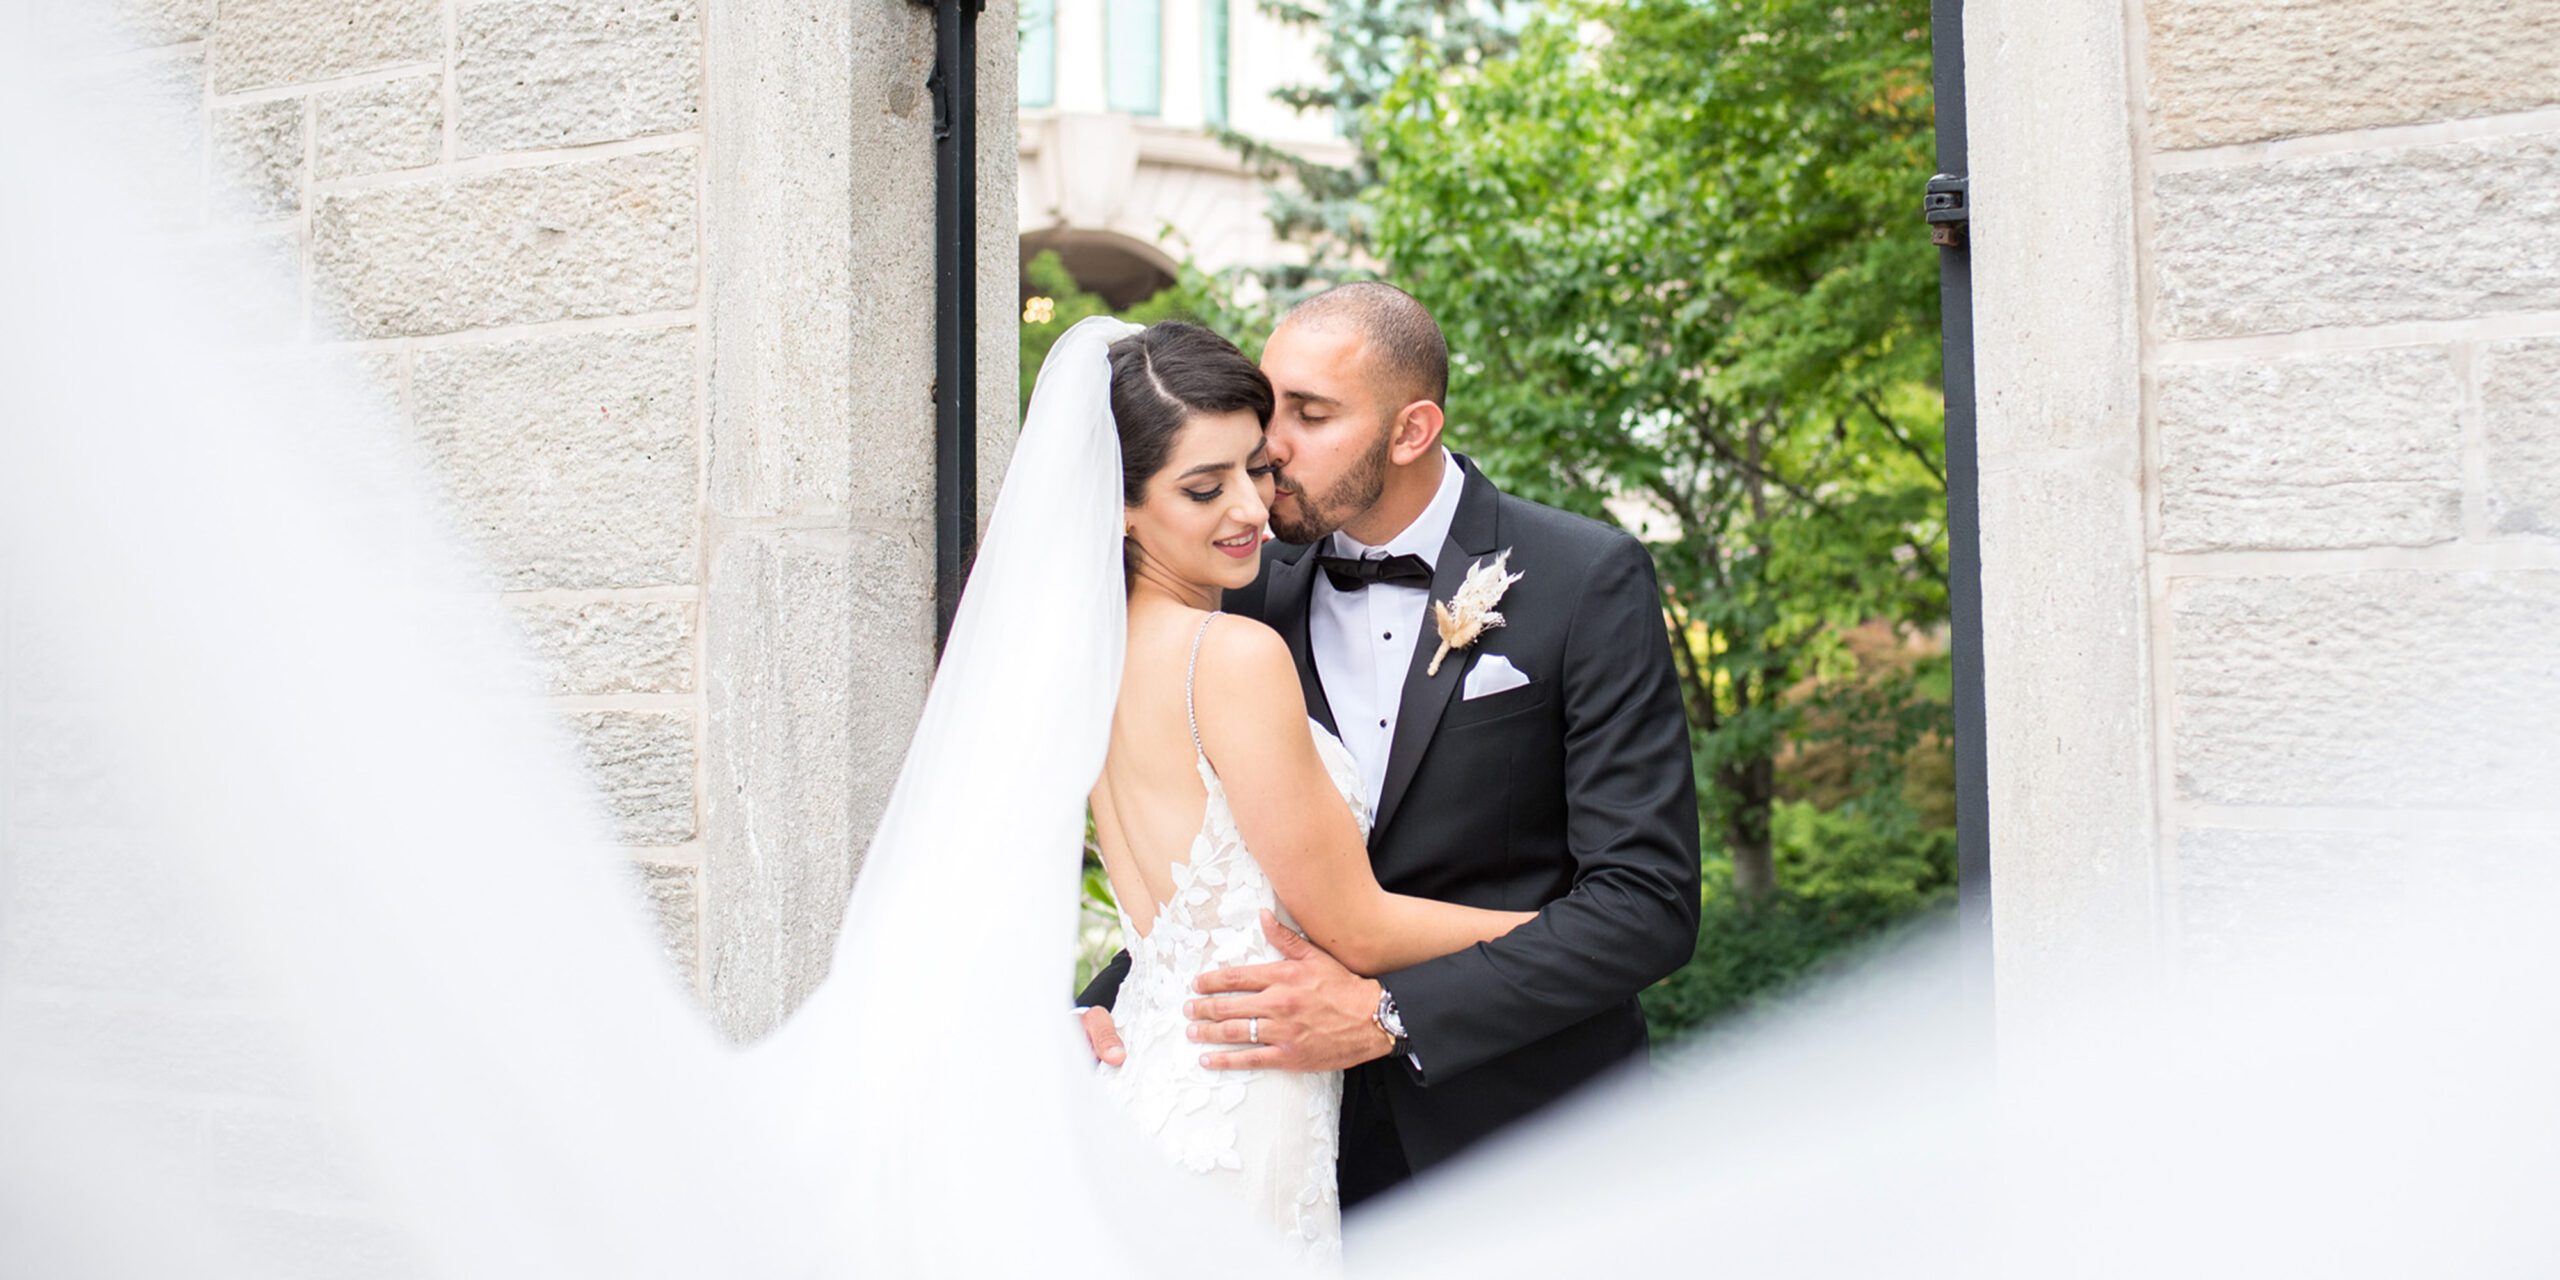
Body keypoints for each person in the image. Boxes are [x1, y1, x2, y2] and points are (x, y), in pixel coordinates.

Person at [1079, 284, 1703, 1215]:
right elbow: (1222, 869)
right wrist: (1098, 1010)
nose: (1268, 445)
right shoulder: (1235, 594)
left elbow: (1645, 907)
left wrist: (1390, 1013)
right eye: (1266, 404)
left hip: (1526, 1143)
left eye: (1310, 414)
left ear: (1411, 431)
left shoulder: (1584, 579)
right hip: (1291, 1140)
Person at [1082, 319, 1537, 1262]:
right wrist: (1555, 932)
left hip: (1157, 1080)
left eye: (1254, 468)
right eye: (1204, 489)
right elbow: (1355, 928)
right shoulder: (1232, 650)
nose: (1252, 507)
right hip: (1244, 1100)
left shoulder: (1094, 659)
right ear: (1119, 507)